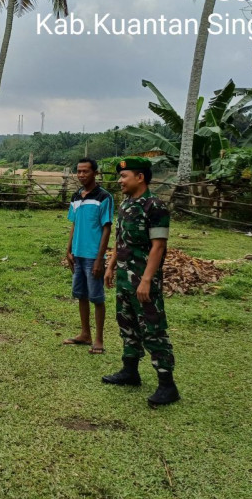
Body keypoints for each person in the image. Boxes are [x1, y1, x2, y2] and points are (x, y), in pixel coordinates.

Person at [102, 157, 180, 406]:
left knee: (153, 329)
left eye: (124, 176)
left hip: (143, 279)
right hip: (124, 278)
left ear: (140, 177)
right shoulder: (126, 205)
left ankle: (167, 385)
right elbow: (120, 239)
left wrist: (146, 280)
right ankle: (130, 370)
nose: (120, 180)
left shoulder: (154, 207)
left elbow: (158, 247)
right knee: (127, 324)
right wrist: (111, 265)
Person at [63, 157, 114, 355]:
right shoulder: (76, 196)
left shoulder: (104, 197)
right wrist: (68, 250)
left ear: (95, 173)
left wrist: (100, 259)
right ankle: (85, 334)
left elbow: (107, 228)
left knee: (97, 297)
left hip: (93, 256)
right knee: (81, 295)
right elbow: (74, 224)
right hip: (78, 254)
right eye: (79, 171)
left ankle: (99, 339)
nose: (81, 175)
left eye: (85, 171)